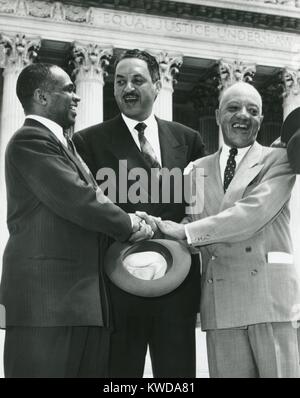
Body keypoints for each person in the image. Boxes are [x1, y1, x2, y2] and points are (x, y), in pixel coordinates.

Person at [0, 62, 153, 378]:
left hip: (81, 306)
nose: (77, 96)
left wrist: (127, 216)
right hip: (48, 308)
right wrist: (128, 224)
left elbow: (89, 198)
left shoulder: (63, 144)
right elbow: (79, 199)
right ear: (42, 97)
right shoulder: (30, 141)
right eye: (68, 89)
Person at [150, 82, 300, 378]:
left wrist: (186, 232)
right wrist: (154, 228)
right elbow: (192, 228)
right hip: (221, 304)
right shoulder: (194, 170)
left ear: (261, 119)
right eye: (233, 108)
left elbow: (251, 214)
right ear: (218, 115)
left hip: (270, 299)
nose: (243, 115)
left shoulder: (280, 159)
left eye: (252, 111)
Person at [73, 49, 205, 378]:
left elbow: (201, 206)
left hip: (177, 288)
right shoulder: (87, 142)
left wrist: (189, 225)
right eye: (120, 82)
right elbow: (86, 210)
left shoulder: (189, 140)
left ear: (157, 85)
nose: (127, 88)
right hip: (118, 288)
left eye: (137, 80)